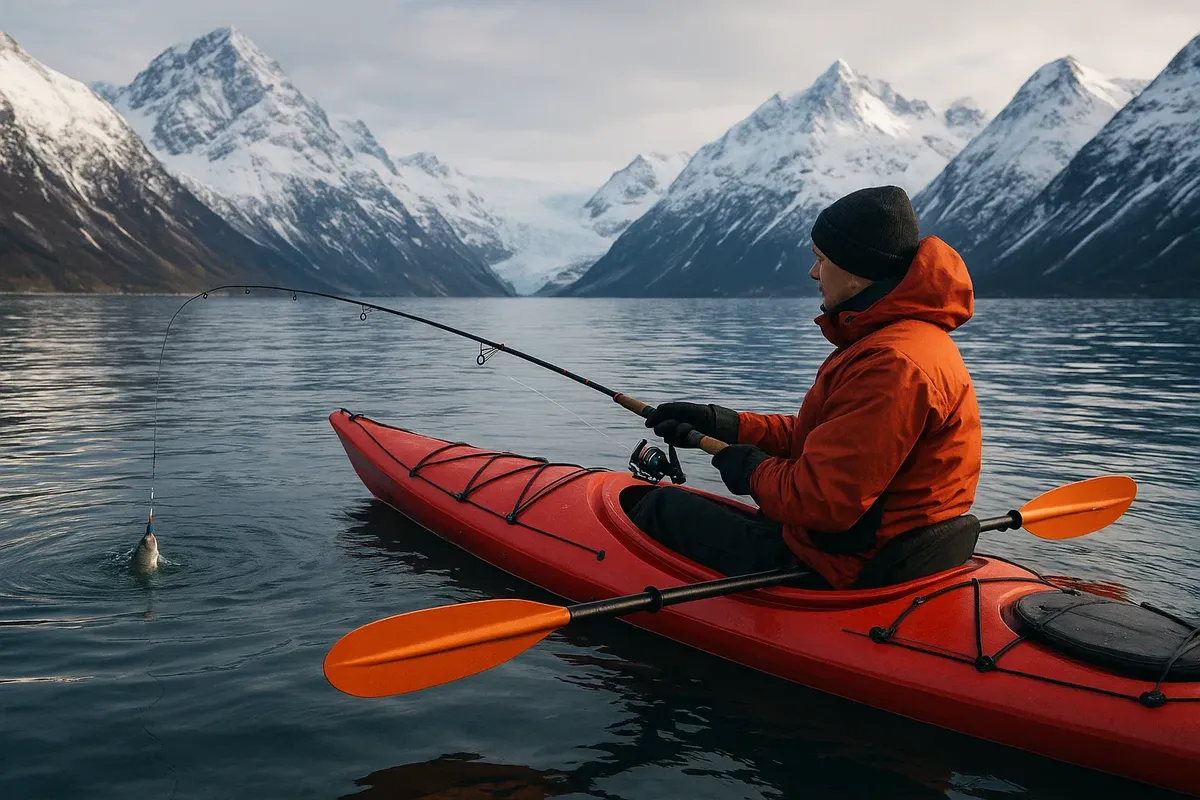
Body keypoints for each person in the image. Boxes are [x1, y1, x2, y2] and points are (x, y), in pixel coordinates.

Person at [627, 185, 982, 590]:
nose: (813, 273)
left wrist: (750, 468)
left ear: (854, 270)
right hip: (871, 548)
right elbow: (827, 442)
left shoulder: (891, 363)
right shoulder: (901, 341)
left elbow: (820, 501)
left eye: (820, 260)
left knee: (658, 506)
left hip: (842, 566)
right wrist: (724, 424)